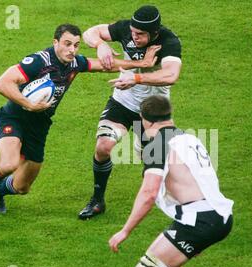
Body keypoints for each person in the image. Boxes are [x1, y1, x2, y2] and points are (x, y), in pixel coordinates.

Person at [0, 23, 160, 229]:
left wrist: (143, 64)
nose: (72, 50)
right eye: (67, 44)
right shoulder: (38, 61)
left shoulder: (74, 63)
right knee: (9, 163)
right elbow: (1, 83)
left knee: (22, 187)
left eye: (76, 45)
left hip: (40, 126)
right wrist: (29, 104)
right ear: (55, 43)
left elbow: (102, 65)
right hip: (15, 118)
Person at [108, 96, 234, 267]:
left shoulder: (158, 146)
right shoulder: (190, 139)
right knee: (169, 264)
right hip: (218, 214)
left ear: (145, 120)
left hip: (200, 220)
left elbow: (148, 193)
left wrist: (125, 230)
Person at [78, 5, 182, 219]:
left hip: (154, 111)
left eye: (140, 35)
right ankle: (97, 200)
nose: (134, 37)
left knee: (153, 163)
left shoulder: (169, 42)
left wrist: (135, 78)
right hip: (123, 103)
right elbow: (90, 32)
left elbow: (171, 75)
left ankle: (172, 202)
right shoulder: (127, 29)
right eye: (133, 32)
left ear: (154, 33)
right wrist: (100, 45)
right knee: (103, 146)